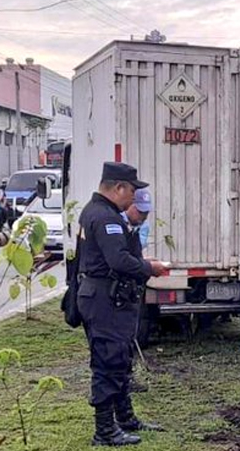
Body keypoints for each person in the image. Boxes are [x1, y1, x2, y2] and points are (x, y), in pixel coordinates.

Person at [77, 162, 167, 446]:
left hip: (109, 299)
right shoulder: (105, 218)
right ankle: (105, 430)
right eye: (132, 190)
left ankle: (125, 418)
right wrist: (149, 267)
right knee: (108, 362)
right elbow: (118, 260)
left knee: (120, 358)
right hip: (105, 301)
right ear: (118, 188)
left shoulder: (101, 212)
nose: (133, 197)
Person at [120, 188, 154, 395]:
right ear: (129, 205)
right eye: (140, 211)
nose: (143, 216)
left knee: (130, 332)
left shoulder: (141, 225)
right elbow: (123, 260)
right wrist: (148, 268)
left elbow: (137, 253)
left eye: (146, 212)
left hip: (132, 286)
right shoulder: (117, 224)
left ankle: (128, 376)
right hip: (116, 292)